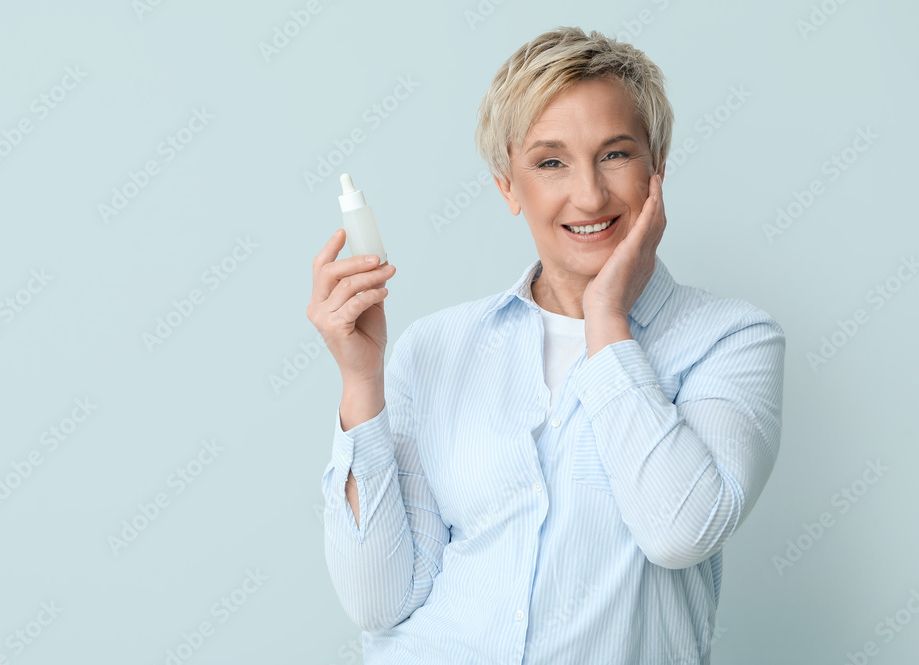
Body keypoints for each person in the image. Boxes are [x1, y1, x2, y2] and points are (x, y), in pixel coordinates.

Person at [306, 26, 785, 665]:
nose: (588, 195)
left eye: (615, 154)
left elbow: (680, 531)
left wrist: (606, 318)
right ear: (508, 185)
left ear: (657, 168)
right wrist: (362, 384)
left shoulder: (730, 339)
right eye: (550, 162)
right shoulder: (436, 348)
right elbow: (379, 600)